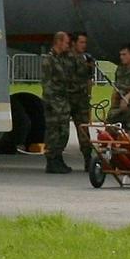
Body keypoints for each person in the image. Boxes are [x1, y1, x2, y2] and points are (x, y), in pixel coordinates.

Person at [41, 31, 96, 174]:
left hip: (69, 101)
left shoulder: (66, 58)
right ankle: (53, 160)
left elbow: (83, 76)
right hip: (58, 101)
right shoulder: (52, 59)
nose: (84, 46)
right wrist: (53, 102)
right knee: (55, 131)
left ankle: (65, 159)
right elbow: (48, 84)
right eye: (81, 42)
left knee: (68, 131)